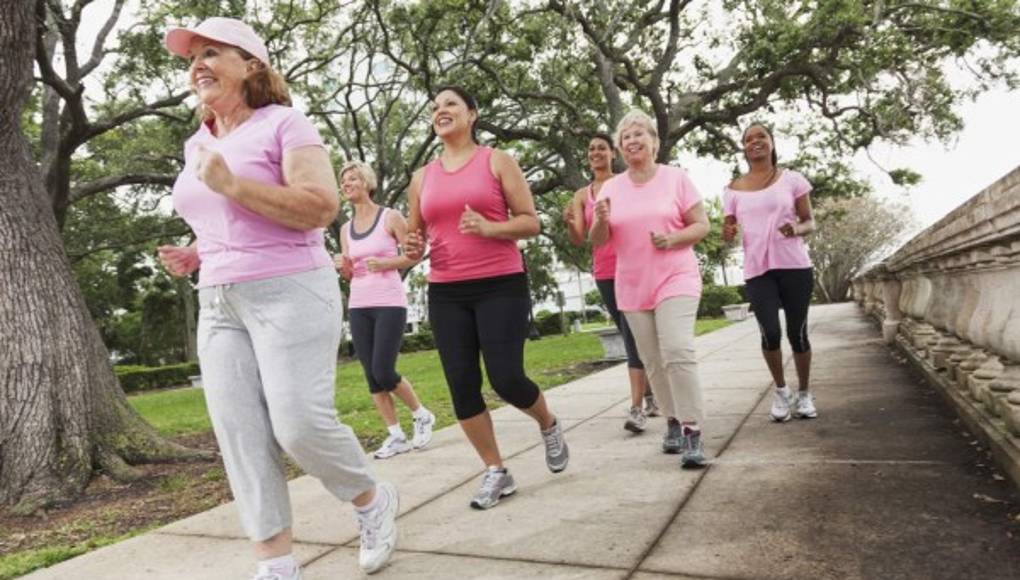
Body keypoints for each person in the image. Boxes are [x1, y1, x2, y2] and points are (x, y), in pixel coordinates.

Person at [158, 17, 396, 578]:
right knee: (239, 434)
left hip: (290, 290)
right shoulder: (199, 141)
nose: (197, 64)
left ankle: (370, 498)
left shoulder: (285, 124)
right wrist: (196, 251)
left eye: (211, 51)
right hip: (219, 300)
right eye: (192, 56)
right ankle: (276, 562)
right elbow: (222, 216)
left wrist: (235, 186)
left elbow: (319, 207)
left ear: (252, 65)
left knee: (298, 425)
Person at [403, 86, 569, 509]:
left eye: (451, 104)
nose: (441, 111)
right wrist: (406, 252)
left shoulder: (497, 161)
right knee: (462, 386)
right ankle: (496, 470)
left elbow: (531, 222)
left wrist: (491, 229)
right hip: (445, 290)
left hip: (500, 284)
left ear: (472, 114)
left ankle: (547, 423)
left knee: (506, 378)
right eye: (436, 108)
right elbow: (415, 237)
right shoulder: (422, 178)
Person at [590, 109, 710, 468]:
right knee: (653, 361)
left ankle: (692, 429)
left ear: (654, 142)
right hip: (632, 284)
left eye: (639, 133)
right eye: (625, 137)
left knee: (677, 348)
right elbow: (599, 241)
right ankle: (671, 419)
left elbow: (702, 225)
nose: (632, 141)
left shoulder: (677, 179)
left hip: (676, 276)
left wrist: (673, 238)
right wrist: (599, 220)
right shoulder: (610, 188)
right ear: (620, 148)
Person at [335, 160, 436, 459]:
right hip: (358, 305)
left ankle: (421, 414)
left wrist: (388, 263)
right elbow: (351, 274)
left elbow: (414, 254)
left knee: (383, 369)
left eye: (353, 178)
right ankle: (395, 436)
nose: (347, 184)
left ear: (366, 182)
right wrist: (343, 267)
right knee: (371, 376)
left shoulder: (389, 217)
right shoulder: (345, 229)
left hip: (389, 302)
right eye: (343, 181)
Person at [563, 134, 660, 433]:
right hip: (605, 271)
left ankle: (637, 408)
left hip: (632, 265)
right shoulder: (582, 195)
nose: (595, 153)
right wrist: (569, 222)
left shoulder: (625, 182)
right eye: (591, 149)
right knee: (629, 332)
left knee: (634, 335)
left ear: (612, 153)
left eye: (601, 148)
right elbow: (579, 239)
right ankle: (650, 394)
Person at [722, 122, 817, 422]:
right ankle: (780, 390)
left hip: (794, 266)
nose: (755, 142)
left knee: (797, 333)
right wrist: (727, 230)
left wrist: (797, 228)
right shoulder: (733, 189)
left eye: (761, 136)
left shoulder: (792, 179)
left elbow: (810, 221)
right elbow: (727, 231)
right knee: (770, 333)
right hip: (757, 269)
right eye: (748, 140)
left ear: (772, 142)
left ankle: (804, 393)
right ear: (744, 148)